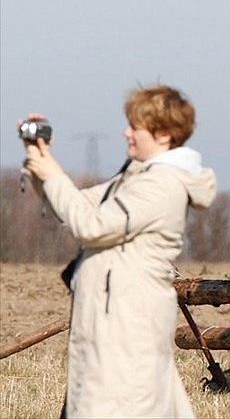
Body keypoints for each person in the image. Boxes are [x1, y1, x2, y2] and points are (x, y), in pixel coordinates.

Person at [21, 85, 216, 418]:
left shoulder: (162, 184)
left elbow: (91, 226)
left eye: (135, 127)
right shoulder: (137, 177)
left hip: (128, 327)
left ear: (164, 134)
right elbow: (75, 206)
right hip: (114, 324)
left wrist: (51, 175)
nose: (126, 133)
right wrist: (43, 162)